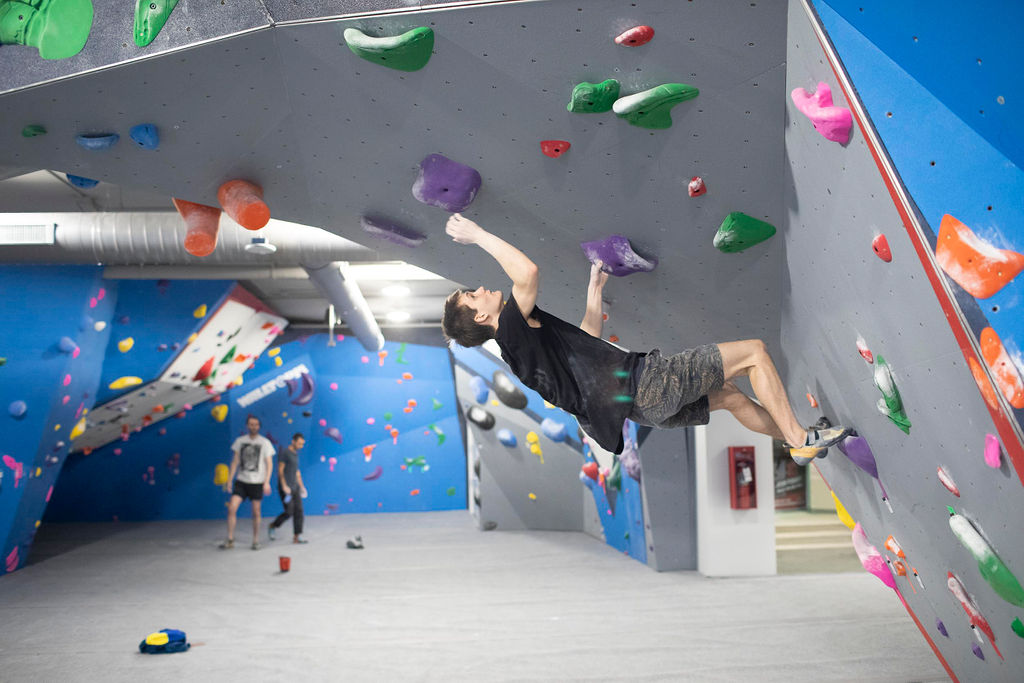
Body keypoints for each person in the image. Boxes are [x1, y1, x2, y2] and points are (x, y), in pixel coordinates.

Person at [440, 213, 851, 462]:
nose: (481, 289)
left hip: (640, 410)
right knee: (755, 353)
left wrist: (594, 289)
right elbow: (527, 273)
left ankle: (802, 438)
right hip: (645, 383)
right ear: (479, 315)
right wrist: (477, 234)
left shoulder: (521, 351)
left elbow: (586, 344)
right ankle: (799, 440)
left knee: (730, 396)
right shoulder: (510, 329)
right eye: (473, 295)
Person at [220, 415, 275, 550]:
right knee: (232, 508)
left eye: (256, 424)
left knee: (256, 512)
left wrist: (267, 482)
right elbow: (235, 462)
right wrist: (229, 480)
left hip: (257, 483)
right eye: (251, 424)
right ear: (247, 426)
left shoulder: (265, 442)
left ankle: (255, 540)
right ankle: (230, 539)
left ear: (259, 426)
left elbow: (269, 464)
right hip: (241, 481)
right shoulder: (240, 441)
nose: (253, 426)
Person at [268, 433, 308, 544]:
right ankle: (273, 526)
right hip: (285, 489)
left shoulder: (296, 455)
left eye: (302, 444)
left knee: (299, 511)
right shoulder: (285, 453)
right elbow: (280, 470)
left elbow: (297, 472)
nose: (301, 446)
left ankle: (297, 536)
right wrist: (284, 485)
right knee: (289, 511)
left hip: (295, 488)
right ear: (293, 441)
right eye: (299, 443)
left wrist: (302, 486)